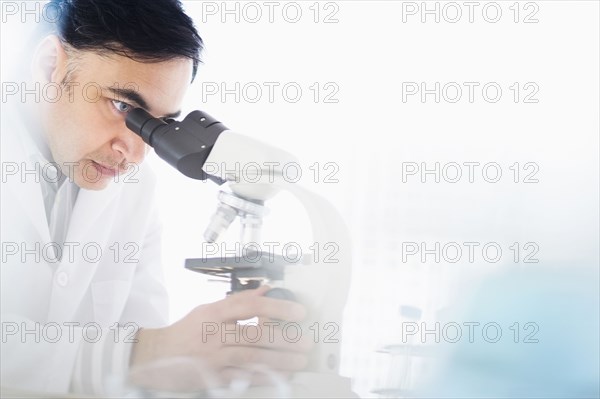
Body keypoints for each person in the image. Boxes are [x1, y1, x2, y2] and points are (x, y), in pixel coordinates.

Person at [0, 0, 311, 395]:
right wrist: (145, 353)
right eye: (122, 106)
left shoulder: (136, 189)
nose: (135, 151)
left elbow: (145, 374)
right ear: (49, 66)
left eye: (157, 126)